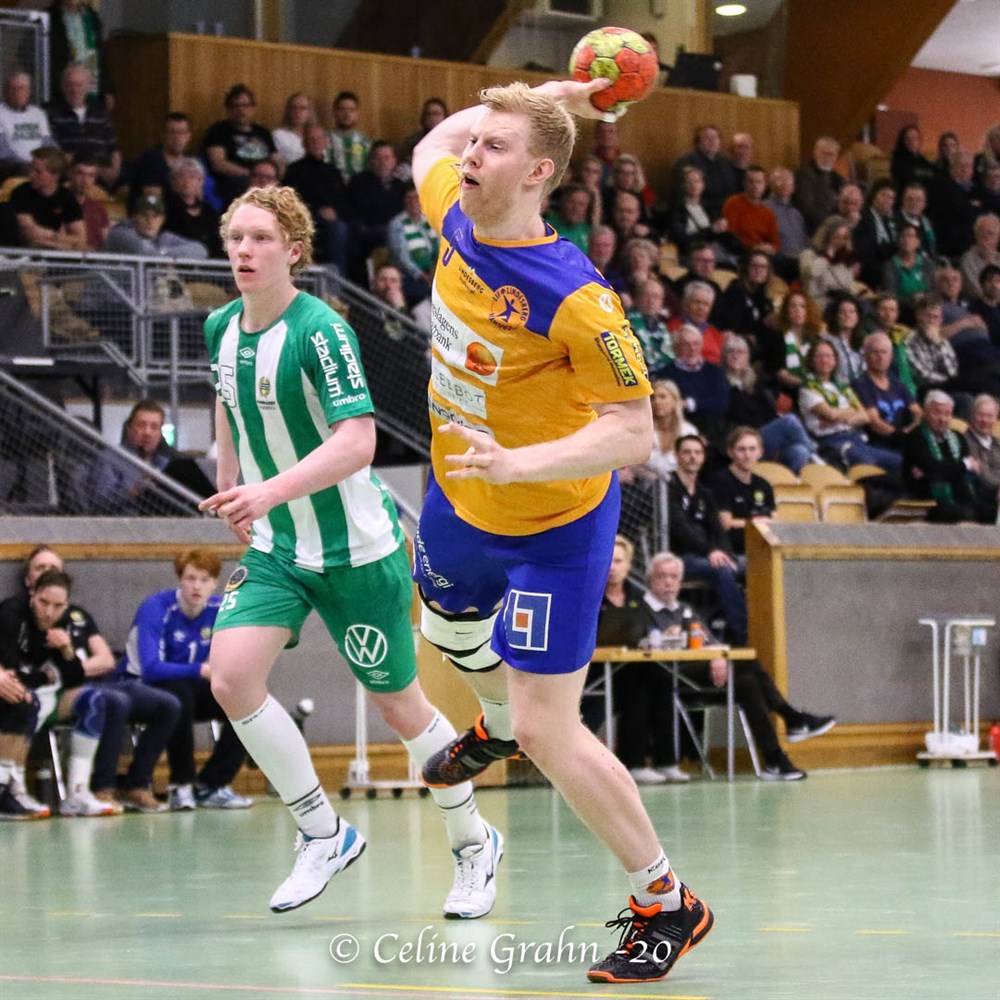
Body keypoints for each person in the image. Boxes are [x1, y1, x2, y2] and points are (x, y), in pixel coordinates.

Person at [410, 78, 713, 983]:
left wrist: (521, 464)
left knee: (553, 731)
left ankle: (666, 901)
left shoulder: (579, 298)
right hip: (460, 495)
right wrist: (552, 95)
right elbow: (431, 146)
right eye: (475, 142)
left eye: (495, 147)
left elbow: (634, 432)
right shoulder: (455, 215)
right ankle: (497, 719)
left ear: (539, 173)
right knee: (441, 622)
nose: (470, 155)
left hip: (555, 525)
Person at [197, 184, 499, 920]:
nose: (243, 250)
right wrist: (230, 480)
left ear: (294, 251)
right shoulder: (220, 327)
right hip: (279, 548)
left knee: (401, 707)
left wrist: (266, 492)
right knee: (230, 678)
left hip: (357, 550)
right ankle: (321, 832)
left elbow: (358, 442)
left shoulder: (322, 331)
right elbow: (228, 401)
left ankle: (473, 842)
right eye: (236, 237)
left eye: (261, 238)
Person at [643, 552, 834, 781]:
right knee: (746, 663)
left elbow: (711, 642)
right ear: (650, 580)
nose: (668, 582)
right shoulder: (641, 609)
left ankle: (774, 760)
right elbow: (636, 644)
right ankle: (790, 717)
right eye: (662, 576)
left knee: (747, 682)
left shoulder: (684, 609)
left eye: (674, 577)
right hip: (668, 678)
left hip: (703, 676)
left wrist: (718, 657)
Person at [122, 549, 250, 810]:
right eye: (190, 578)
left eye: (204, 580)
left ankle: (211, 784)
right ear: (180, 579)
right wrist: (200, 670)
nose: (197, 586)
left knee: (245, 701)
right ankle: (181, 784)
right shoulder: (157, 608)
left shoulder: (219, 610)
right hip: (142, 685)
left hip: (190, 687)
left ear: (215, 583)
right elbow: (151, 668)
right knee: (180, 695)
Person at [0, 568, 119, 816]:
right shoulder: (11, 613)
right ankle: (12, 789)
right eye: (43, 602)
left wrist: (66, 649)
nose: (48, 612)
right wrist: (44, 677)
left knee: (93, 700)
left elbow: (74, 679)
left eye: (57, 606)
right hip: (16, 689)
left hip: (38, 692)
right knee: (23, 702)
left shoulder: (61, 623)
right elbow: (11, 670)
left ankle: (77, 793)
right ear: (32, 594)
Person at [595, 538, 688, 785]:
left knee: (661, 678)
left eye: (618, 561)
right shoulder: (590, 595)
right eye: (608, 561)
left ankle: (666, 761)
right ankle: (633, 762)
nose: (612, 567)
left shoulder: (638, 597)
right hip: (595, 672)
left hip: (630, 664)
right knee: (637, 684)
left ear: (628, 565)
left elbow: (646, 631)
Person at [668, 434, 747, 644]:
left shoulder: (705, 493)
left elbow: (718, 530)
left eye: (697, 452)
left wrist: (725, 553)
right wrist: (711, 551)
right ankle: (745, 635)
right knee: (722, 570)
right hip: (679, 557)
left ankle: (767, 627)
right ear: (676, 456)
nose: (692, 457)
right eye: (687, 452)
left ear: (703, 457)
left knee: (756, 565)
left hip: (709, 555)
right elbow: (680, 529)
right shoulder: (667, 487)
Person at [722, 334, 820, 474]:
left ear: (747, 357)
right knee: (790, 421)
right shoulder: (720, 382)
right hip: (739, 436)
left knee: (800, 451)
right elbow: (733, 414)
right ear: (724, 356)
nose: (735, 356)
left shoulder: (755, 381)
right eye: (731, 352)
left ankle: (791, 484)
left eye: (740, 352)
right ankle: (816, 459)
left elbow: (769, 413)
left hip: (764, 436)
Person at [799, 339, 902, 470]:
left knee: (900, 462)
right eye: (819, 356)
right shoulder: (808, 388)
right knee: (868, 464)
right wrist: (850, 414)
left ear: (835, 361)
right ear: (811, 361)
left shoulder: (843, 388)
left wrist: (842, 417)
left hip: (857, 439)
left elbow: (865, 416)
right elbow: (830, 414)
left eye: (829, 356)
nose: (824, 360)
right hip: (833, 442)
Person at [901, 390, 997, 523]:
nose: (942, 419)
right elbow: (936, 471)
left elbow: (953, 472)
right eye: (937, 413)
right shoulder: (916, 438)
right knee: (965, 514)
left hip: (961, 497)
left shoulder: (957, 437)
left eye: (947, 414)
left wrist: (945, 470)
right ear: (925, 412)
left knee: (993, 513)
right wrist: (963, 465)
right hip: (929, 500)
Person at [91, 399, 179, 515]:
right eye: (141, 425)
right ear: (129, 429)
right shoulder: (110, 458)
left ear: (160, 434)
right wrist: (135, 490)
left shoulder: (166, 462)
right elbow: (99, 503)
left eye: (154, 427)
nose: (147, 433)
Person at [283, 122, 348, 274]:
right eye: (311, 139)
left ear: (326, 142)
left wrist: (336, 212)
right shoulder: (294, 170)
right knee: (339, 229)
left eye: (319, 139)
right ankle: (337, 281)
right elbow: (292, 201)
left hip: (334, 219)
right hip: (307, 219)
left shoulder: (333, 171)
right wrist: (318, 211)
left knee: (347, 228)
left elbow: (344, 200)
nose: (316, 143)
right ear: (304, 144)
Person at [45, 63, 119, 190]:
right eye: (70, 85)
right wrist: (89, 169)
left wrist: (114, 171)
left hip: (103, 177)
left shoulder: (100, 113)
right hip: (70, 177)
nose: (75, 90)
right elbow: (51, 151)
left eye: (79, 85)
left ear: (88, 87)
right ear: (62, 87)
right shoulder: (51, 113)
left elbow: (114, 149)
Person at [203, 84, 277, 207]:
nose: (241, 110)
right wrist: (252, 174)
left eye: (245, 105)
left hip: (265, 178)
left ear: (253, 108)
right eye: (235, 106)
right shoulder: (218, 131)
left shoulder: (263, 132)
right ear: (228, 109)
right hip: (236, 181)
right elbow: (218, 164)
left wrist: (272, 176)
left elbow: (275, 160)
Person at [852, 332, 922, 453]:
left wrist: (908, 431)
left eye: (884, 352)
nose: (880, 357)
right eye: (875, 352)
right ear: (866, 355)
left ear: (891, 357)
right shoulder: (860, 385)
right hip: (878, 444)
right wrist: (899, 435)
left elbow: (918, 412)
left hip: (905, 440)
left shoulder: (898, 385)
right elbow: (874, 422)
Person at [708, 427, 774, 554]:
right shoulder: (720, 481)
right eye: (741, 449)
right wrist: (757, 523)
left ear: (760, 453)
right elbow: (725, 523)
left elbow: (774, 521)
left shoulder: (763, 485)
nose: (747, 455)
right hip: (732, 551)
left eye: (752, 449)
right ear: (730, 452)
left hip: (760, 549)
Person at [660, 323, 730, 443]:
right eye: (686, 344)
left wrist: (690, 404)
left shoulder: (715, 372)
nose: (692, 349)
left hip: (712, 433)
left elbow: (721, 403)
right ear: (676, 347)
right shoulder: (666, 374)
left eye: (696, 343)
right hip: (678, 432)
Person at [10, 146, 86, 251]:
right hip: (23, 251)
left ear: (55, 176)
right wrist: (65, 244)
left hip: (51, 246)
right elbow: (30, 234)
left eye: (38, 171)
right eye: (31, 169)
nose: (31, 175)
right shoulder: (21, 192)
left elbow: (81, 238)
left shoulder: (67, 197)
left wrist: (50, 235)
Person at [46, 0, 113, 109]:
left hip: (92, 89)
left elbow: (101, 55)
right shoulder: (48, 16)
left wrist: (107, 89)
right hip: (61, 92)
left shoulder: (91, 16)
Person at [103, 192, 209, 259]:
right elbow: (145, 252)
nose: (150, 221)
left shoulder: (164, 238)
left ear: (162, 220)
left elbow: (200, 250)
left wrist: (163, 253)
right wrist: (169, 258)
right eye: (144, 215)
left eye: (155, 216)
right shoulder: (121, 233)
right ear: (134, 217)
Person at [129, 113, 194, 212]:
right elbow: (152, 198)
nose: (177, 137)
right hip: (153, 215)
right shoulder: (151, 159)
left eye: (182, 132)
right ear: (163, 135)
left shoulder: (191, 162)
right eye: (172, 132)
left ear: (189, 136)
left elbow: (197, 195)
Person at [387, 182, 439, 304]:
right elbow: (402, 258)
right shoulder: (397, 224)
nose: (413, 201)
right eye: (409, 198)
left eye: (417, 197)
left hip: (434, 273)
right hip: (410, 276)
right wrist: (422, 276)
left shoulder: (429, 220)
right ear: (404, 201)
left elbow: (441, 248)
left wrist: (436, 272)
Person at [671, 124, 738, 217]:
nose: (712, 140)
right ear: (697, 142)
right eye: (707, 137)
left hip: (727, 210)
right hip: (699, 211)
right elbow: (684, 195)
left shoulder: (726, 162)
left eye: (715, 137)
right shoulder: (686, 162)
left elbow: (732, 188)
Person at [164, 157, 223, 257]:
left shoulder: (209, 211)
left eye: (192, 177)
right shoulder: (166, 207)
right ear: (173, 181)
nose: (186, 181)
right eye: (181, 176)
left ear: (201, 182)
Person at [799, 214, 859, 310]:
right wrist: (828, 257)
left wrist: (856, 295)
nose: (841, 242)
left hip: (841, 303)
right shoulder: (809, 254)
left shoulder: (844, 258)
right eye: (837, 237)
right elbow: (812, 273)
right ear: (826, 237)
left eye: (844, 238)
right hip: (819, 303)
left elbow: (849, 284)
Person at [0, 72, 54, 177]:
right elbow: (3, 150)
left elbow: (48, 143)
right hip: (11, 165)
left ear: (29, 92)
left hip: (39, 164)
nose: (17, 92)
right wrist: (31, 165)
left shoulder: (38, 113)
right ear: (5, 91)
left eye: (22, 88)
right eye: (13, 88)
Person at [764, 166, 809, 280]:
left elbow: (804, 243)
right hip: (777, 264)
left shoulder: (797, 214)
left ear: (793, 188)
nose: (784, 184)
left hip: (800, 264)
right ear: (770, 184)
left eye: (788, 181)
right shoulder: (763, 209)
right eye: (779, 180)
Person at [721, 165, 779, 254]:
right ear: (744, 184)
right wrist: (754, 248)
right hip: (739, 253)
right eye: (751, 182)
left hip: (762, 254)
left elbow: (775, 244)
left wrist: (770, 248)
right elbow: (730, 236)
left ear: (765, 185)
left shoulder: (768, 213)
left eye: (759, 182)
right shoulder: (733, 202)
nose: (755, 186)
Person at [852, 178, 897, 290]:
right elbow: (864, 251)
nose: (887, 200)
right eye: (884, 195)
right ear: (874, 195)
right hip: (869, 273)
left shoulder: (889, 221)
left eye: (891, 198)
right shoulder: (864, 217)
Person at [794, 136, 845, 233]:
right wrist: (829, 226)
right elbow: (807, 207)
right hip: (814, 228)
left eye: (832, 155)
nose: (827, 158)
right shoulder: (804, 175)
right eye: (824, 153)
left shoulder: (838, 178)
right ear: (815, 153)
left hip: (835, 227)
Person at [66, 152, 109, 250]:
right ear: (69, 173)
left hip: (96, 258)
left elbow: (106, 244)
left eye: (91, 175)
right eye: (80, 174)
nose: (85, 181)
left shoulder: (99, 208)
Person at [820, 294, 866, 384]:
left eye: (852, 312)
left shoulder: (864, 342)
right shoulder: (827, 341)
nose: (847, 315)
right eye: (842, 312)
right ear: (836, 316)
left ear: (858, 317)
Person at [327, 91, 371, 181]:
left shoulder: (365, 142)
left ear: (357, 113)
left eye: (351, 110)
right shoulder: (325, 140)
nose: (347, 114)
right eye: (342, 109)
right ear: (334, 112)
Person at [963, 393, 1000, 497]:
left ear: (996, 419)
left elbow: (985, 472)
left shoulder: (997, 443)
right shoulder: (964, 442)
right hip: (981, 498)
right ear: (972, 416)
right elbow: (985, 481)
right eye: (981, 415)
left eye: (990, 416)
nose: (985, 420)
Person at [959, 215, 1000, 301]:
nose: (986, 237)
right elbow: (976, 290)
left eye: (990, 233)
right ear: (976, 236)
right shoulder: (968, 259)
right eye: (982, 233)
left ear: (997, 238)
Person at [271, 92, 314, 169]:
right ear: (288, 111)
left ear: (309, 112)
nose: (298, 112)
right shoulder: (279, 135)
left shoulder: (317, 136)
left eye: (303, 108)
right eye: (294, 108)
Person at [890, 125, 936, 193]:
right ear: (902, 141)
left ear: (919, 141)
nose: (912, 141)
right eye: (908, 139)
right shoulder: (897, 160)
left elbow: (933, 174)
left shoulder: (923, 160)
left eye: (915, 138)